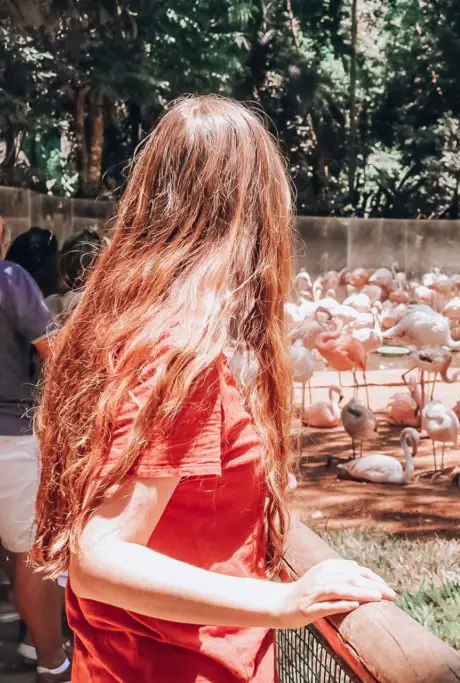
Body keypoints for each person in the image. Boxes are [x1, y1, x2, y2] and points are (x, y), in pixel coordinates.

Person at [32, 95, 395, 683]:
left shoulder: (122, 326)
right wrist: (284, 604)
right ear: (249, 210)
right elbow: (100, 557)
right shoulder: (181, 355)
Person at [1, 229, 70, 682]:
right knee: (31, 554)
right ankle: (51, 661)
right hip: (11, 437)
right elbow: (57, 351)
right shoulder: (10, 280)